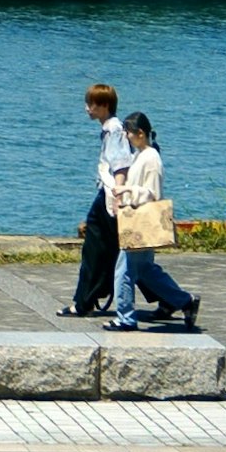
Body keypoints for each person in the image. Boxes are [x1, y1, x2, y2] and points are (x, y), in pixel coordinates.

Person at [109, 110, 198, 331]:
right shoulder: (142, 155)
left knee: (125, 271)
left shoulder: (150, 159)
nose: (127, 137)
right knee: (146, 270)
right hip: (139, 220)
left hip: (140, 221)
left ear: (140, 133)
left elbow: (151, 192)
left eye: (129, 133)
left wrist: (126, 189)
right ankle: (184, 301)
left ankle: (126, 318)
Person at [66, 83, 130, 318]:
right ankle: (85, 300)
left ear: (104, 106)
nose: (87, 108)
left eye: (91, 104)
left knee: (101, 248)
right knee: (115, 249)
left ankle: (83, 302)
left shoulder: (114, 130)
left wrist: (117, 197)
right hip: (108, 193)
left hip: (110, 195)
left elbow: (120, 164)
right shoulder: (110, 129)